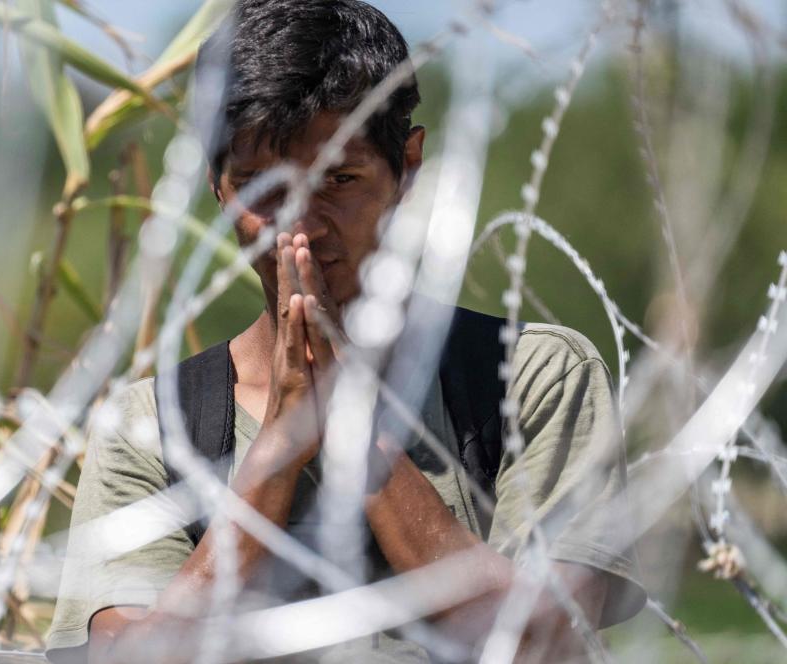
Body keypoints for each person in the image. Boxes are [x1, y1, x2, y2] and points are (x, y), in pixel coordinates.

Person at [47, 1, 645, 662]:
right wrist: (277, 452)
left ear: (408, 167)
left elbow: (538, 639)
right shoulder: (154, 425)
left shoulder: (529, 379)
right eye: (260, 184)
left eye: (339, 180)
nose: (299, 225)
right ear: (216, 187)